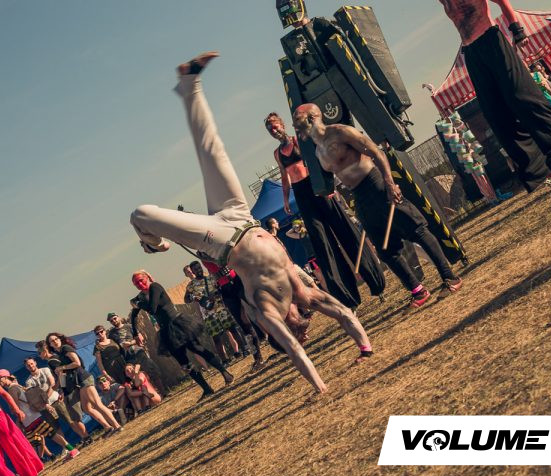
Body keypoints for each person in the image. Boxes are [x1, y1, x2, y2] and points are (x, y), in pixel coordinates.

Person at [129, 52, 373, 393]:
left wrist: (319, 386)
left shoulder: (266, 310)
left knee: (140, 214)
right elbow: (345, 313)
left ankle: (153, 243)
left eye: (298, 327)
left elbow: (294, 350)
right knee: (214, 151)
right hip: (242, 216)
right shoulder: (303, 291)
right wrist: (365, 346)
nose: (301, 326)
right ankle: (189, 83)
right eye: (302, 326)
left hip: (220, 241)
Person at [292, 103, 463, 308]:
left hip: (376, 184)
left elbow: (376, 152)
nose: (294, 125)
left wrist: (390, 183)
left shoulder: (340, 132)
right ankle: (418, 291)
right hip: (359, 196)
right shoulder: (318, 151)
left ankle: (450, 277)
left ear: (312, 118)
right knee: (385, 250)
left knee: (417, 230)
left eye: (297, 119)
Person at [438, 0, 551, 193]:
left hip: (491, 40)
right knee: (495, 114)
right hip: (471, 52)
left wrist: (517, 30)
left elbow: (503, 2)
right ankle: (537, 169)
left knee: (525, 100)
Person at [265, 112, 385, 303]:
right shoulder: (277, 153)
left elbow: (317, 162)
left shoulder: (298, 141)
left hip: (316, 187)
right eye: (270, 129)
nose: (273, 130)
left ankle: (374, 280)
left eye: (275, 125)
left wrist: (327, 185)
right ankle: (346, 295)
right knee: (321, 240)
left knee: (343, 229)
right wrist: (286, 200)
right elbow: (285, 177)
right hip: (301, 193)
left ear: (282, 125)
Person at [130, 270, 234, 400]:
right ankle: (206, 389)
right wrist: (135, 333)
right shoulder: (140, 297)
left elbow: (152, 308)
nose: (140, 284)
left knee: (198, 349)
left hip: (178, 324)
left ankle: (226, 374)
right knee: (183, 362)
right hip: (166, 331)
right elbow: (134, 315)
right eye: (136, 283)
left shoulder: (155, 287)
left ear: (147, 278)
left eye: (141, 280)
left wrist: (137, 303)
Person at [45, 333, 123, 436]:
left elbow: (77, 363)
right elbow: (63, 374)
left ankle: (117, 426)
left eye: (56, 339)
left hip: (83, 378)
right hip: (79, 382)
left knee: (97, 404)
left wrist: (62, 368)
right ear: (50, 345)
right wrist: (61, 388)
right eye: (52, 341)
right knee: (87, 408)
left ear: (60, 339)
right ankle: (108, 428)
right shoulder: (59, 355)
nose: (55, 341)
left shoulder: (65, 348)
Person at [0, 370, 79, 462]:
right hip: (30, 418)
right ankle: (39, 462)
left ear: (5, 377)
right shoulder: (17, 386)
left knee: (51, 435)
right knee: (36, 442)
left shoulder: (12, 389)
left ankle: (72, 450)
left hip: (30, 419)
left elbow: (15, 407)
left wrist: (16, 417)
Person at [24, 354, 91, 448]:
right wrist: (45, 404)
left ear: (35, 363)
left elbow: (52, 383)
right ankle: (67, 448)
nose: (31, 366)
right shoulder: (28, 382)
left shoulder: (45, 370)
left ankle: (85, 438)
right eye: (28, 365)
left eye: (31, 363)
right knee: (56, 429)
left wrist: (45, 400)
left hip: (56, 400)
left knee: (71, 421)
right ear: (26, 367)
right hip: (45, 408)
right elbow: (34, 397)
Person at [184, 261, 243, 363]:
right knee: (216, 338)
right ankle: (224, 360)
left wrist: (215, 294)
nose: (198, 270)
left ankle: (245, 349)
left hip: (220, 308)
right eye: (196, 269)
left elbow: (220, 289)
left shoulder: (211, 278)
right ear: (193, 271)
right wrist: (193, 297)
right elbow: (186, 299)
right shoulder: (191, 286)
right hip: (208, 314)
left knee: (232, 329)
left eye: (199, 267)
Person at [106, 313, 166, 393]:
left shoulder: (129, 326)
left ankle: (163, 392)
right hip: (128, 358)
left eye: (114, 318)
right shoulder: (111, 334)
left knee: (152, 371)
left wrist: (130, 343)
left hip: (138, 353)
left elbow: (141, 338)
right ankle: (152, 396)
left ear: (118, 317)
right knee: (136, 378)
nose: (114, 321)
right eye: (111, 321)